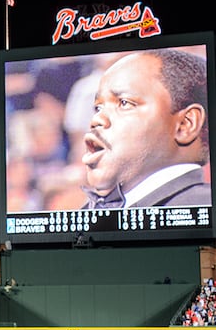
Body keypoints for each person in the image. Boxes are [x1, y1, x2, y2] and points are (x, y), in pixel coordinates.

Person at [81, 47, 211, 209]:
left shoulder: (204, 207)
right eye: (98, 108)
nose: (96, 119)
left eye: (124, 103)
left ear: (185, 124)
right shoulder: (87, 212)